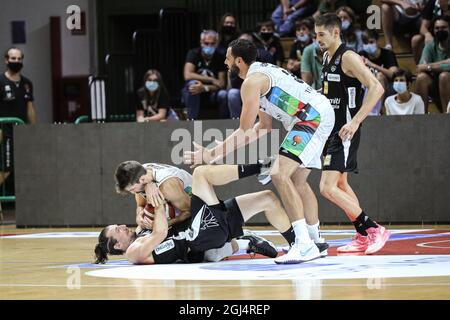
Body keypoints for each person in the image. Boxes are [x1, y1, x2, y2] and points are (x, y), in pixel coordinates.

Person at [184, 39, 335, 264]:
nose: (224, 62)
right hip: (314, 115)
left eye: (227, 58)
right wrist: (214, 153)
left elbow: (243, 130)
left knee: (278, 174)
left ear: (239, 60)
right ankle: (315, 241)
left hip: (311, 117)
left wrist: (210, 154)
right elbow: (262, 128)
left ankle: (303, 245)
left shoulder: (252, 83)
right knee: (297, 180)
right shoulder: (260, 77)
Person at [95, 164, 310, 265]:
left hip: (203, 228)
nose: (122, 227)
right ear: (118, 246)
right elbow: (160, 233)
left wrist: (144, 208)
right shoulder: (133, 252)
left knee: (268, 198)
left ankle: (299, 245)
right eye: (118, 230)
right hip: (197, 235)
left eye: (119, 225)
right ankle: (259, 167)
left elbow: (158, 220)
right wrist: (156, 200)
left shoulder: (144, 219)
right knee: (200, 173)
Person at [315, 13, 391, 255]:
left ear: (336, 32)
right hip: (331, 130)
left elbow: (377, 87)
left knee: (327, 188)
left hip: (346, 130)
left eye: (321, 35)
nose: (317, 39)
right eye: (316, 35)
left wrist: (356, 121)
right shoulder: (327, 56)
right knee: (340, 184)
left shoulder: (348, 57)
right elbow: (332, 91)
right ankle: (361, 235)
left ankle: (374, 229)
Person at [114, 161, 193, 229]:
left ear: (142, 179)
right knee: (140, 230)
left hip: (196, 206)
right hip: (176, 205)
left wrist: (165, 224)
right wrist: (139, 216)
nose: (133, 192)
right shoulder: (139, 173)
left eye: (132, 189)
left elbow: (189, 211)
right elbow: (140, 205)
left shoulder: (167, 186)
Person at [0, 47, 36, 188]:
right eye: (13, 58)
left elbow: (30, 108)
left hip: (21, 133)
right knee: (6, 169)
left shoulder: (27, 84)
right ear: (6, 60)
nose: (16, 61)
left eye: (19, 59)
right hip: (5, 132)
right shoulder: (1, 81)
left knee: (21, 168)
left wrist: (33, 130)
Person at [182, 30, 228, 120]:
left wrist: (204, 88)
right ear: (201, 42)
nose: (209, 46)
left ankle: (224, 122)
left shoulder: (220, 57)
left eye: (212, 43)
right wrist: (212, 80)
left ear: (217, 44)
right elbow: (187, 75)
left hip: (211, 93)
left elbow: (221, 84)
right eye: (206, 43)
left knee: (223, 94)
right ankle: (192, 120)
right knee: (192, 84)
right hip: (192, 92)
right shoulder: (193, 54)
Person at [359, 29, 400, 115]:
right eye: (365, 43)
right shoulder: (361, 54)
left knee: (380, 76)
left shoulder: (388, 54)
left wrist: (373, 65)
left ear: (377, 41)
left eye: (371, 42)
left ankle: (377, 111)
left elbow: (393, 74)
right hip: (367, 88)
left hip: (388, 87)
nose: (368, 45)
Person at [415, 15, 450, 113]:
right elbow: (420, 68)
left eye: (444, 28)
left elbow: (426, 66)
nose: (440, 30)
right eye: (437, 28)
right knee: (421, 77)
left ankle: (447, 116)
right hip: (436, 86)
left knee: (444, 76)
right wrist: (444, 63)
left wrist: (429, 66)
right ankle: (422, 118)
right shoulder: (431, 45)